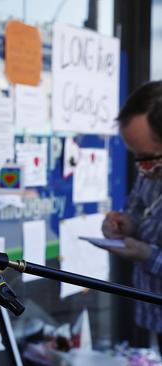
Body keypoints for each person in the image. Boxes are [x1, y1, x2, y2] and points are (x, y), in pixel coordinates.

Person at [102, 81, 162, 345]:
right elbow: (138, 206)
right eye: (136, 157)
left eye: (148, 158)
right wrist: (125, 223)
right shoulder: (149, 169)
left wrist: (147, 255)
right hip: (153, 312)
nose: (142, 170)